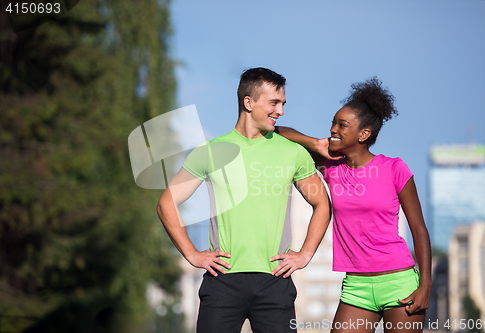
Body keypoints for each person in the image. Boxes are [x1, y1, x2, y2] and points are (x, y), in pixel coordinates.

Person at [156, 67, 331, 333]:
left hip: (275, 282)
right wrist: (192, 254)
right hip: (222, 282)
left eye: (283, 104)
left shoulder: (293, 153)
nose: (280, 111)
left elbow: (322, 204)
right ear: (248, 102)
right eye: (274, 103)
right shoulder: (211, 152)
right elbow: (166, 202)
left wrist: (305, 254)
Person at [275, 77, 432, 333]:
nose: (333, 129)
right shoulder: (331, 166)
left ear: (364, 134)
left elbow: (419, 229)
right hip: (356, 287)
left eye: (342, 125)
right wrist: (315, 143)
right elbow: (278, 132)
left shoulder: (394, 168)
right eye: (333, 123)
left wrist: (426, 284)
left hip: (400, 283)